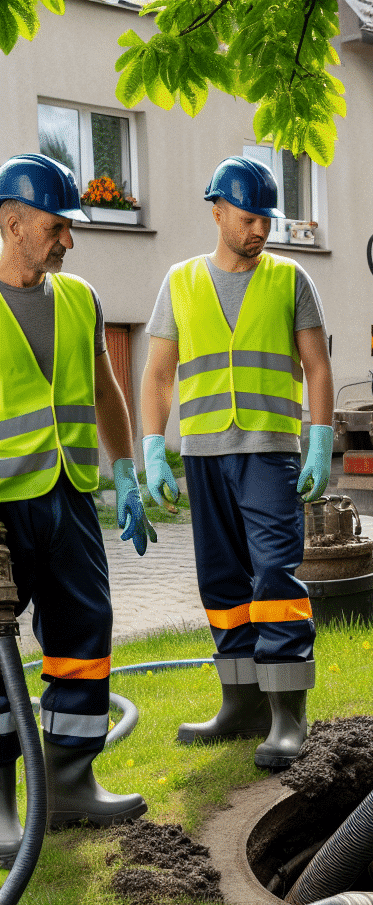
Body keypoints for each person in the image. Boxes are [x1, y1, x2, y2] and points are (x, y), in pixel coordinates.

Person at [141, 156, 334, 769]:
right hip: (204, 455)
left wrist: (321, 437)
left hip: (268, 452)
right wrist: (152, 447)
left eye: (267, 219)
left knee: (275, 576)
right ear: (218, 211)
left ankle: (286, 717)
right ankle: (241, 702)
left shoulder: (290, 279)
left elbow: (317, 366)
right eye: (249, 218)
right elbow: (158, 373)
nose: (261, 230)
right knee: (221, 580)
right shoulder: (180, 282)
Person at [0, 154, 155, 863]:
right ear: (13, 223)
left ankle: (68, 784)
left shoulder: (79, 297)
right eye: (59, 226)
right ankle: (1, 809)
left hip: (68, 495)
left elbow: (104, 389)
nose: (69, 241)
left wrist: (127, 473)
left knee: (85, 631)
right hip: (3, 509)